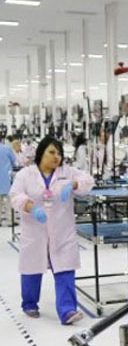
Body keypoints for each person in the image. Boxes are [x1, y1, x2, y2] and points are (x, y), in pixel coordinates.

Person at [9, 136, 94, 324]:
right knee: (32, 267)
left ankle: (68, 311)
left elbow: (88, 180)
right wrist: (31, 207)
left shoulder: (66, 172)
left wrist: (73, 184)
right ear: (41, 154)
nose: (57, 157)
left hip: (62, 230)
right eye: (52, 152)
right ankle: (29, 303)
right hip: (35, 228)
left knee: (65, 268)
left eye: (59, 153)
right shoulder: (26, 174)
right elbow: (15, 196)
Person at [0, 140, 16, 226]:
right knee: (9, 201)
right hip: (6, 178)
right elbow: (14, 160)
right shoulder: (7, 148)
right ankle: (10, 221)